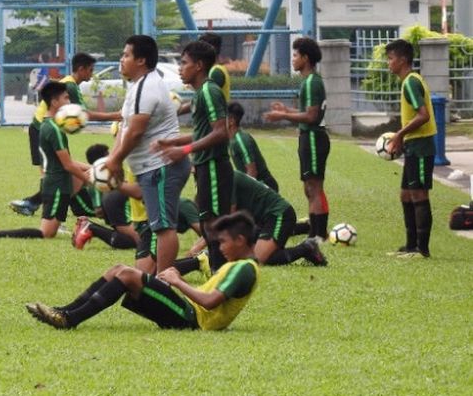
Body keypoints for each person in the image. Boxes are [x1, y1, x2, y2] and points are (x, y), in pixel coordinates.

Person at [25, 211, 259, 331]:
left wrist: (177, 281)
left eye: (223, 242)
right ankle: (64, 311)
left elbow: (209, 302)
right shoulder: (238, 265)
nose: (220, 247)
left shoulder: (245, 270)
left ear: (240, 240)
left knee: (127, 275)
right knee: (118, 268)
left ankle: (70, 319)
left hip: (192, 319)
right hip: (189, 310)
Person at [101, 36, 189, 275]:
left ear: (141, 60)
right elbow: (126, 126)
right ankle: (161, 277)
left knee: (163, 228)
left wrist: (115, 160)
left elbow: (137, 130)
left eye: (126, 55)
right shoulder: (137, 86)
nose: (122, 59)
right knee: (159, 226)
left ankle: (164, 282)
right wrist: (114, 158)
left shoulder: (147, 87)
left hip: (161, 167)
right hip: (151, 168)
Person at [0, 81, 91, 240]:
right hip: (57, 185)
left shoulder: (48, 125)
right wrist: (90, 179)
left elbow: (67, 161)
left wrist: (91, 168)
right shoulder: (55, 129)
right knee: (46, 233)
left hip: (56, 182)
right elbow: (68, 164)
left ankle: (83, 219)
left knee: (50, 230)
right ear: (55, 102)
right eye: (66, 98)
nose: (69, 102)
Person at [152, 40, 231, 273]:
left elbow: (221, 132)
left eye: (184, 63)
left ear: (198, 66)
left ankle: (221, 274)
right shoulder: (199, 94)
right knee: (207, 224)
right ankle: (218, 272)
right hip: (205, 165)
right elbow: (202, 132)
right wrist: (172, 141)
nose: (180, 68)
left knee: (214, 224)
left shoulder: (209, 91)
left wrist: (183, 151)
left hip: (215, 165)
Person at [10, 52, 121, 216]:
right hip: (42, 128)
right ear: (81, 69)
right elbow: (85, 114)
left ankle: (38, 205)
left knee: (59, 171)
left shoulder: (71, 84)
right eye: (90, 70)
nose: (92, 74)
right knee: (54, 172)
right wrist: (115, 115)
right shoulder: (70, 86)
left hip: (40, 127)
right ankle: (44, 208)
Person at [178, 171, 327, 270]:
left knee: (258, 259)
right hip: (259, 221)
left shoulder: (226, 178)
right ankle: (303, 228)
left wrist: (201, 245)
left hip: (278, 215)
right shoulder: (216, 177)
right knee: (245, 254)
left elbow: (228, 219)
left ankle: (307, 248)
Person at [264, 37, 330, 242]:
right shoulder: (310, 81)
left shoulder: (312, 82)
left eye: (295, 55)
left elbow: (311, 117)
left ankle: (318, 234)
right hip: (309, 137)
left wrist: (282, 116)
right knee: (309, 187)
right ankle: (315, 231)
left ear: (305, 58)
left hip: (313, 138)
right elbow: (308, 112)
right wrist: (287, 110)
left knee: (314, 186)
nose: (292, 59)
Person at [385, 39, 436, 259]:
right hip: (413, 146)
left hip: (421, 145)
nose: (389, 64)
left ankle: (421, 250)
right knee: (405, 194)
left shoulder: (411, 83)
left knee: (418, 194)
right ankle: (410, 245)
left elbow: (423, 116)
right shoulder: (409, 81)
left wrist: (399, 134)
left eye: (391, 59)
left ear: (402, 60)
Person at [227, 101, 279, 191]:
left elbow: (252, 172)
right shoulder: (232, 139)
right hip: (255, 185)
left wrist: (244, 194)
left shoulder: (240, 140)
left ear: (231, 121)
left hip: (265, 186)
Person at [179, 33, 231, 115]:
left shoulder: (216, 72)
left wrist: (178, 110)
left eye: (200, 47)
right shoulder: (216, 69)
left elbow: (206, 96)